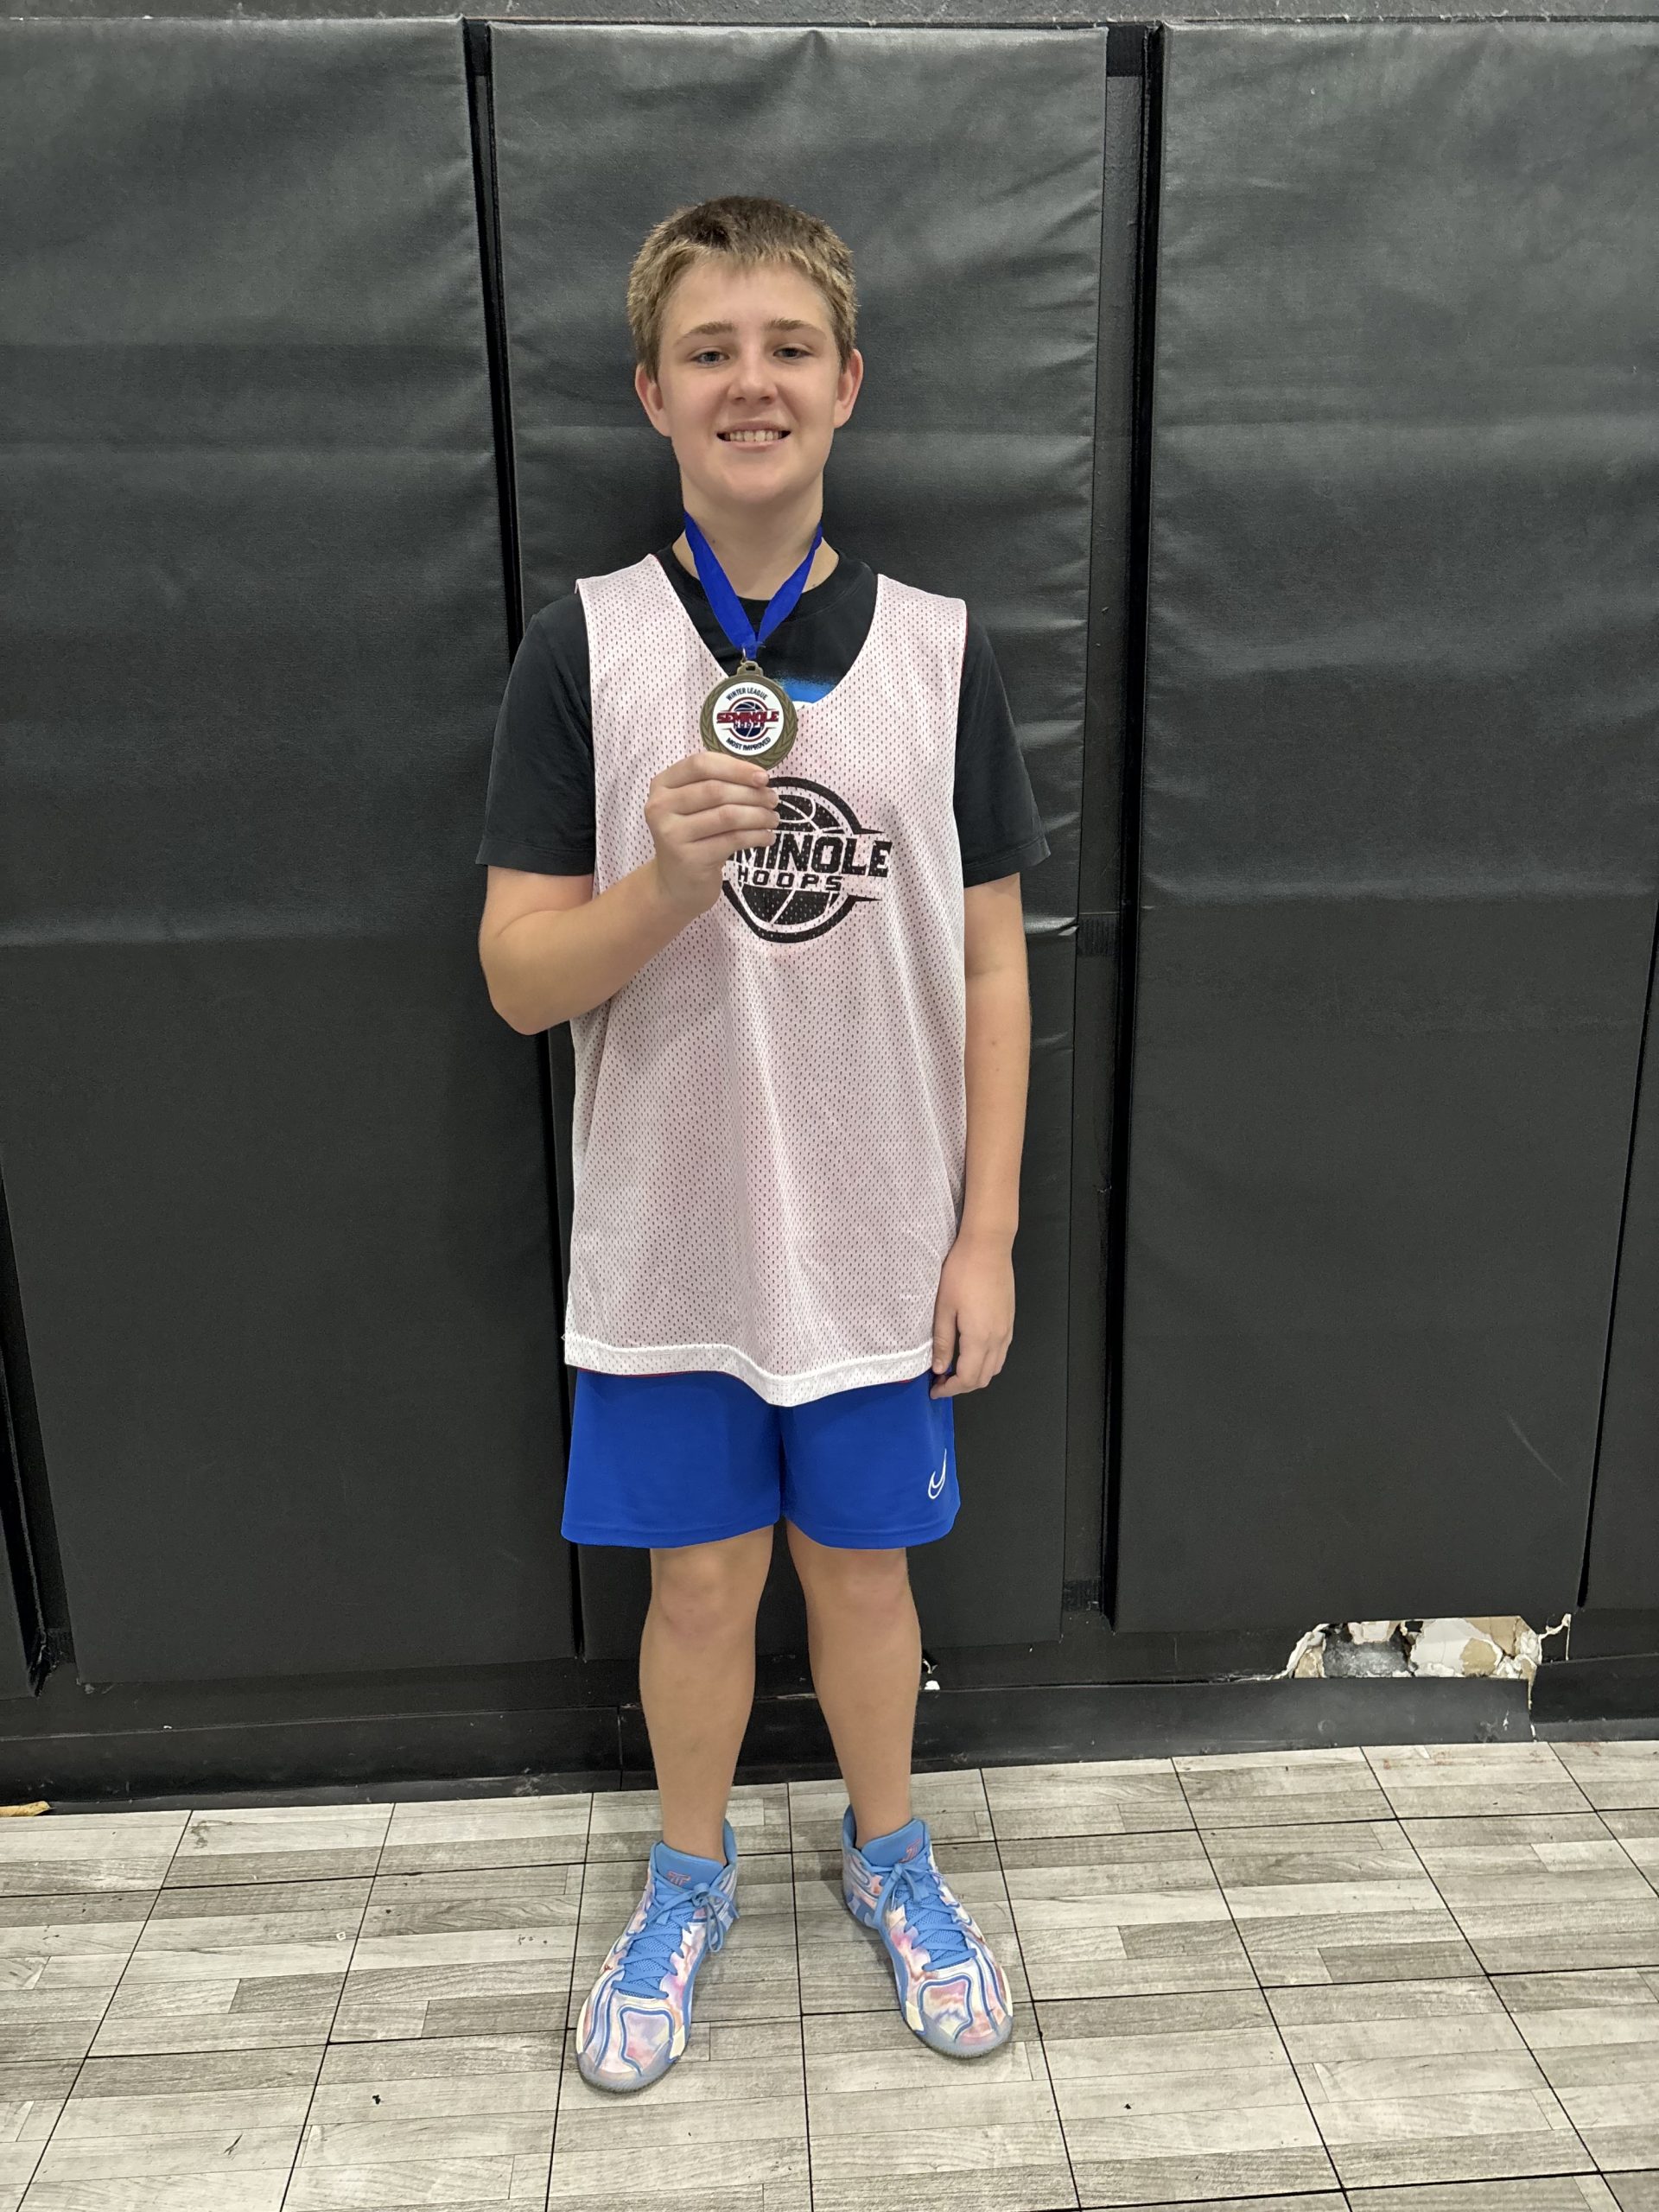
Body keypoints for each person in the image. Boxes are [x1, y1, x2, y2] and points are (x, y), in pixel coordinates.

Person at [474, 194, 1050, 2094]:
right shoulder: (586, 648)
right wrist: (660, 884)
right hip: (675, 1243)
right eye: (709, 350)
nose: (752, 381)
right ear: (652, 393)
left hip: (880, 1242)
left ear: (848, 382)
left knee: (867, 1579)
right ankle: (687, 1874)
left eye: (788, 346)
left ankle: (891, 1854)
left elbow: (992, 963)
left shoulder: (941, 653)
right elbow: (518, 980)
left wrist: (986, 1234)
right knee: (701, 1587)